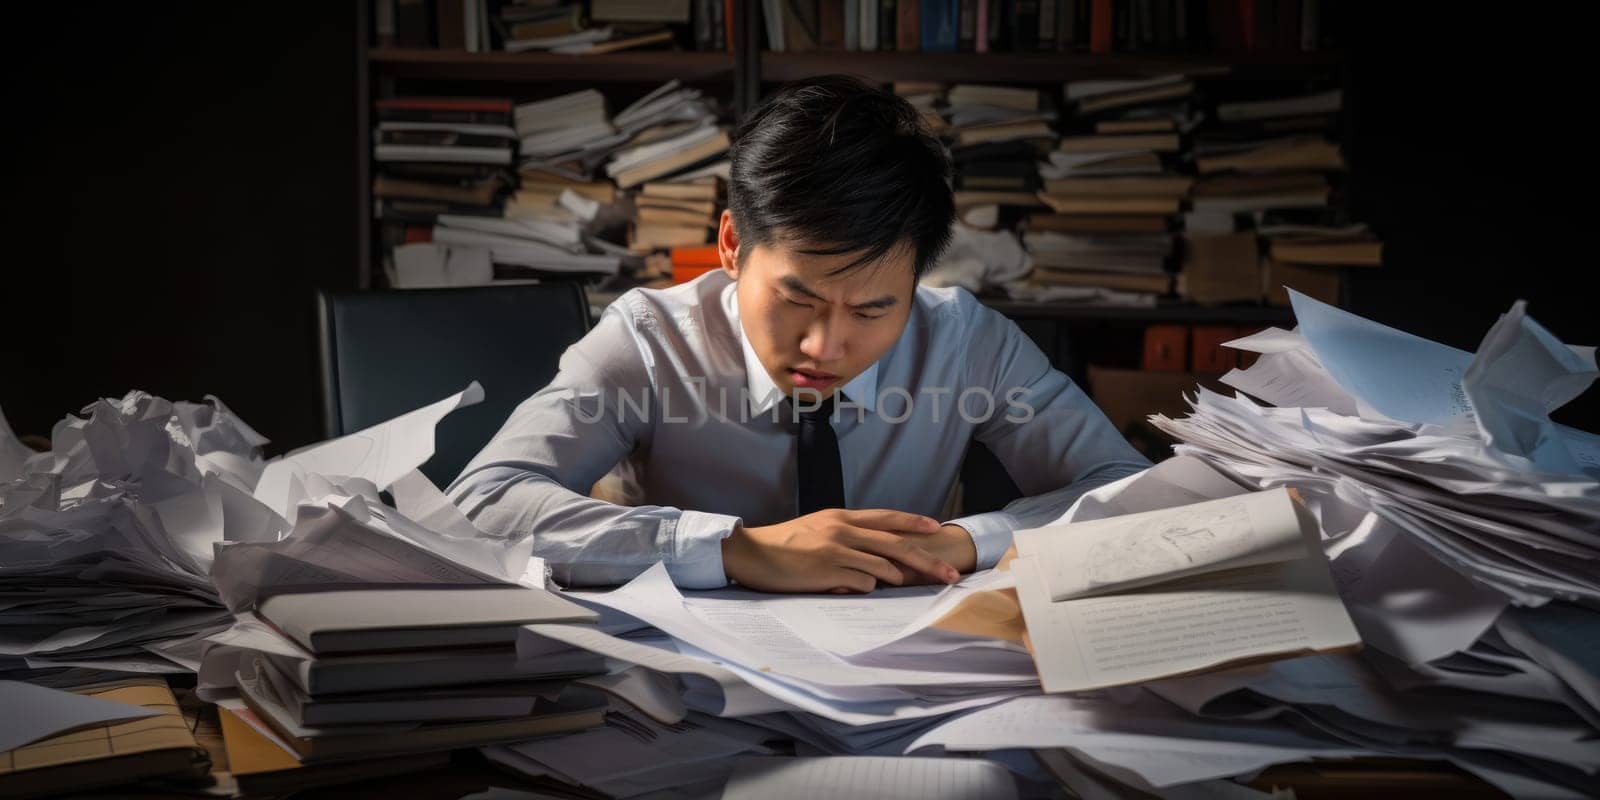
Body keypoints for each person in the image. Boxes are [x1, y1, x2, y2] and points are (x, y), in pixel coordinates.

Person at [448, 75, 1150, 593]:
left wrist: (967, 541)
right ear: (731, 245)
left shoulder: (965, 340)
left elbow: (1131, 492)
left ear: (917, 279)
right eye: (796, 298)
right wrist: (734, 549)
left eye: (873, 310)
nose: (825, 347)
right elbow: (481, 503)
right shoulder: (648, 339)